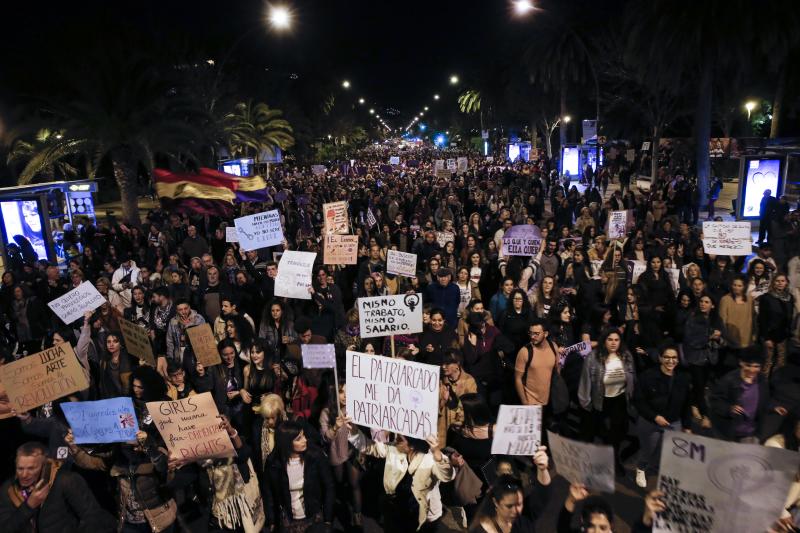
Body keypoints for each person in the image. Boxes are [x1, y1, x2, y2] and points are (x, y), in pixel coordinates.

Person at [0, 441, 115, 533]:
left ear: (43, 465)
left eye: (31, 468)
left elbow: (95, 519)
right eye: (20, 468)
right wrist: (29, 506)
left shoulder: (66, 481)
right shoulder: (9, 489)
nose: (24, 475)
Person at [578, 328, 636, 475]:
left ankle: (614, 462)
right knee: (594, 432)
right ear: (604, 341)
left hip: (619, 399)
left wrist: (630, 396)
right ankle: (590, 463)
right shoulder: (593, 357)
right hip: (600, 400)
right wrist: (586, 403)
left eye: (616, 340)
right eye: (610, 339)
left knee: (616, 434)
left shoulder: (626, 355)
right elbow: (585, 381)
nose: (613, 343)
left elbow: (632, 377)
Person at [633, 345, 692, 488]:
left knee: (670, 452)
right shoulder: (647, 376)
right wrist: (655, 417)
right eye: (667, 357)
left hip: (674, 422)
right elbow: (639, 401)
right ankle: (641, 468)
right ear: (660, 358)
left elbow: (686, 403)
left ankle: (662, 475)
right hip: (650, 422)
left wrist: (688, 426)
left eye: (674, 358)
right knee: (649, 450)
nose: (670, 361)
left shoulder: (684, 378)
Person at [264, 420, 334, 531]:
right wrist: (272, 521)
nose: (305, 440)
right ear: (286, 442)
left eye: (303, 435)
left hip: (314, 518)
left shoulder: (315, 456)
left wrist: (328, 519)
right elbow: (269, 494)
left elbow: (329, 486)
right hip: (288, 522)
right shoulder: (274, 463)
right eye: (298, 439)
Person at [468, 448, 552, 533]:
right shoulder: (482, 529)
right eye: (509, 506)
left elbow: (542, 494)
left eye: (519, 504)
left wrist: (542, 469)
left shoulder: (521, 519)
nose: (516, 511)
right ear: (496, 502)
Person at [709, 348, 780, 443]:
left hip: (750, 433)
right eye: (748, 365)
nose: (752, 370)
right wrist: (729, 409)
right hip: (728, 433)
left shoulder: (762, 380)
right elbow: (714, 401)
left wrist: (774, 407)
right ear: (741, 362)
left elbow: (764, 400)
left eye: (756, 366)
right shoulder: (729, 380)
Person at [515, 319, 558, 407]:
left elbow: (557, 370)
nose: (532, 336)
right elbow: (517, 379)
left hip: (549, 400)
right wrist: (525, 402)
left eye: (536, 334)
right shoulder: (525, 352)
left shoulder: (554, 347)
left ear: (545, 334)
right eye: (530, 333)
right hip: (531, 402)